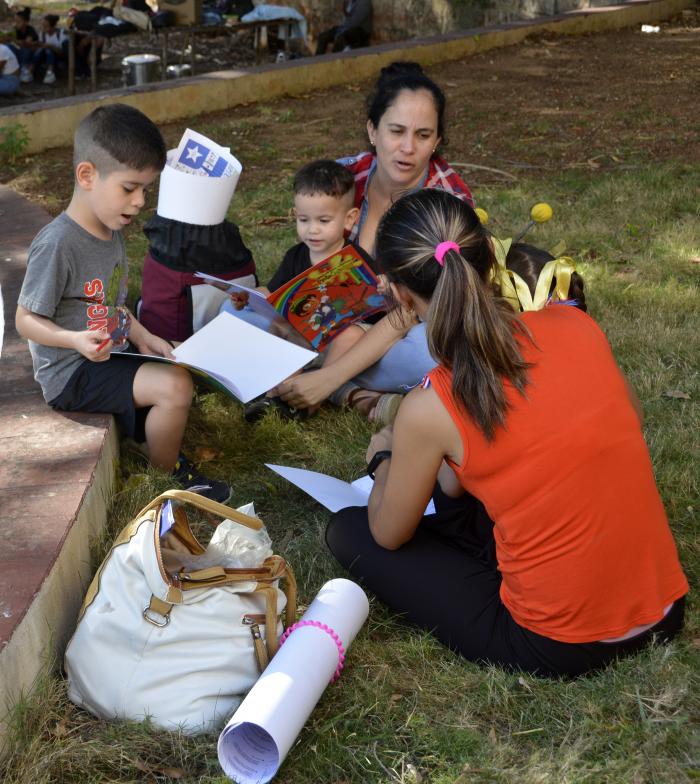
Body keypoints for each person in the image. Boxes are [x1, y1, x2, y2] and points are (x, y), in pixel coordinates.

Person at [326, 188, 688, 678]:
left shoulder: (430, 407)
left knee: (348, 529)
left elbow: (388, 534)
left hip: (559, 644)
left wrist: (384, 458)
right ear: (489, 263)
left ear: (399, 295)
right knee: (457, 501)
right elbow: (630, 420)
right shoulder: (574, 324)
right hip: (664, 611)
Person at [16, 104, 231, 503]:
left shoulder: (109, 227)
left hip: (107, 353)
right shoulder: (58, 243)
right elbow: (26, 319)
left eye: (146, 190)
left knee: (181, 364)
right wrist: (75, 340)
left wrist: (144, 335)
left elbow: (111, 304)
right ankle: (169, 477)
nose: (139, 202)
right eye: (130, 188)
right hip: (72, 372)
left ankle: (144, 433)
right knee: (175, 387)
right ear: (87, 175)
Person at [274, 61, 474, 424]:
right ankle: (355, 394)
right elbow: (309, 254)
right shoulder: (342, 178)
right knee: (236, 312)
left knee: (436, 352)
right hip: (326, 318)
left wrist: (329, 376)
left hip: (403, 333)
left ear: (437, 142)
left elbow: (415, 312)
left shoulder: (446, 202)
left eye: (424, 135)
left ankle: (325, 383)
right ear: (372, 129)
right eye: (396, 131)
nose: (408, 148)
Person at [225, 160, 378, 421]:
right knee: (281, 323)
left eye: (324, 220)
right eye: (304, 219)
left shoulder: (356, 258)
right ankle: (278, 393)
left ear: (349, 219)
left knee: (349, 334)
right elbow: (273, 292)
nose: (312, 229)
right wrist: (248, 296)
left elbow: (378, 298)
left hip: (346, 342)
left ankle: (318, 393)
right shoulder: (296, 256)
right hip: (307, 337)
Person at [24, 14, 68, 85]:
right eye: (43, 26)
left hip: (58, 58)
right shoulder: (42, 34)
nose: (43, 28)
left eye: (46, 26)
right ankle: (30, 71)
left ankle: (50, 72)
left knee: (48, 50)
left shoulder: (61, 34)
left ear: (53, 26)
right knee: (41, 50)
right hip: (45, 57)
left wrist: (51, 46)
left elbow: (63, 52)